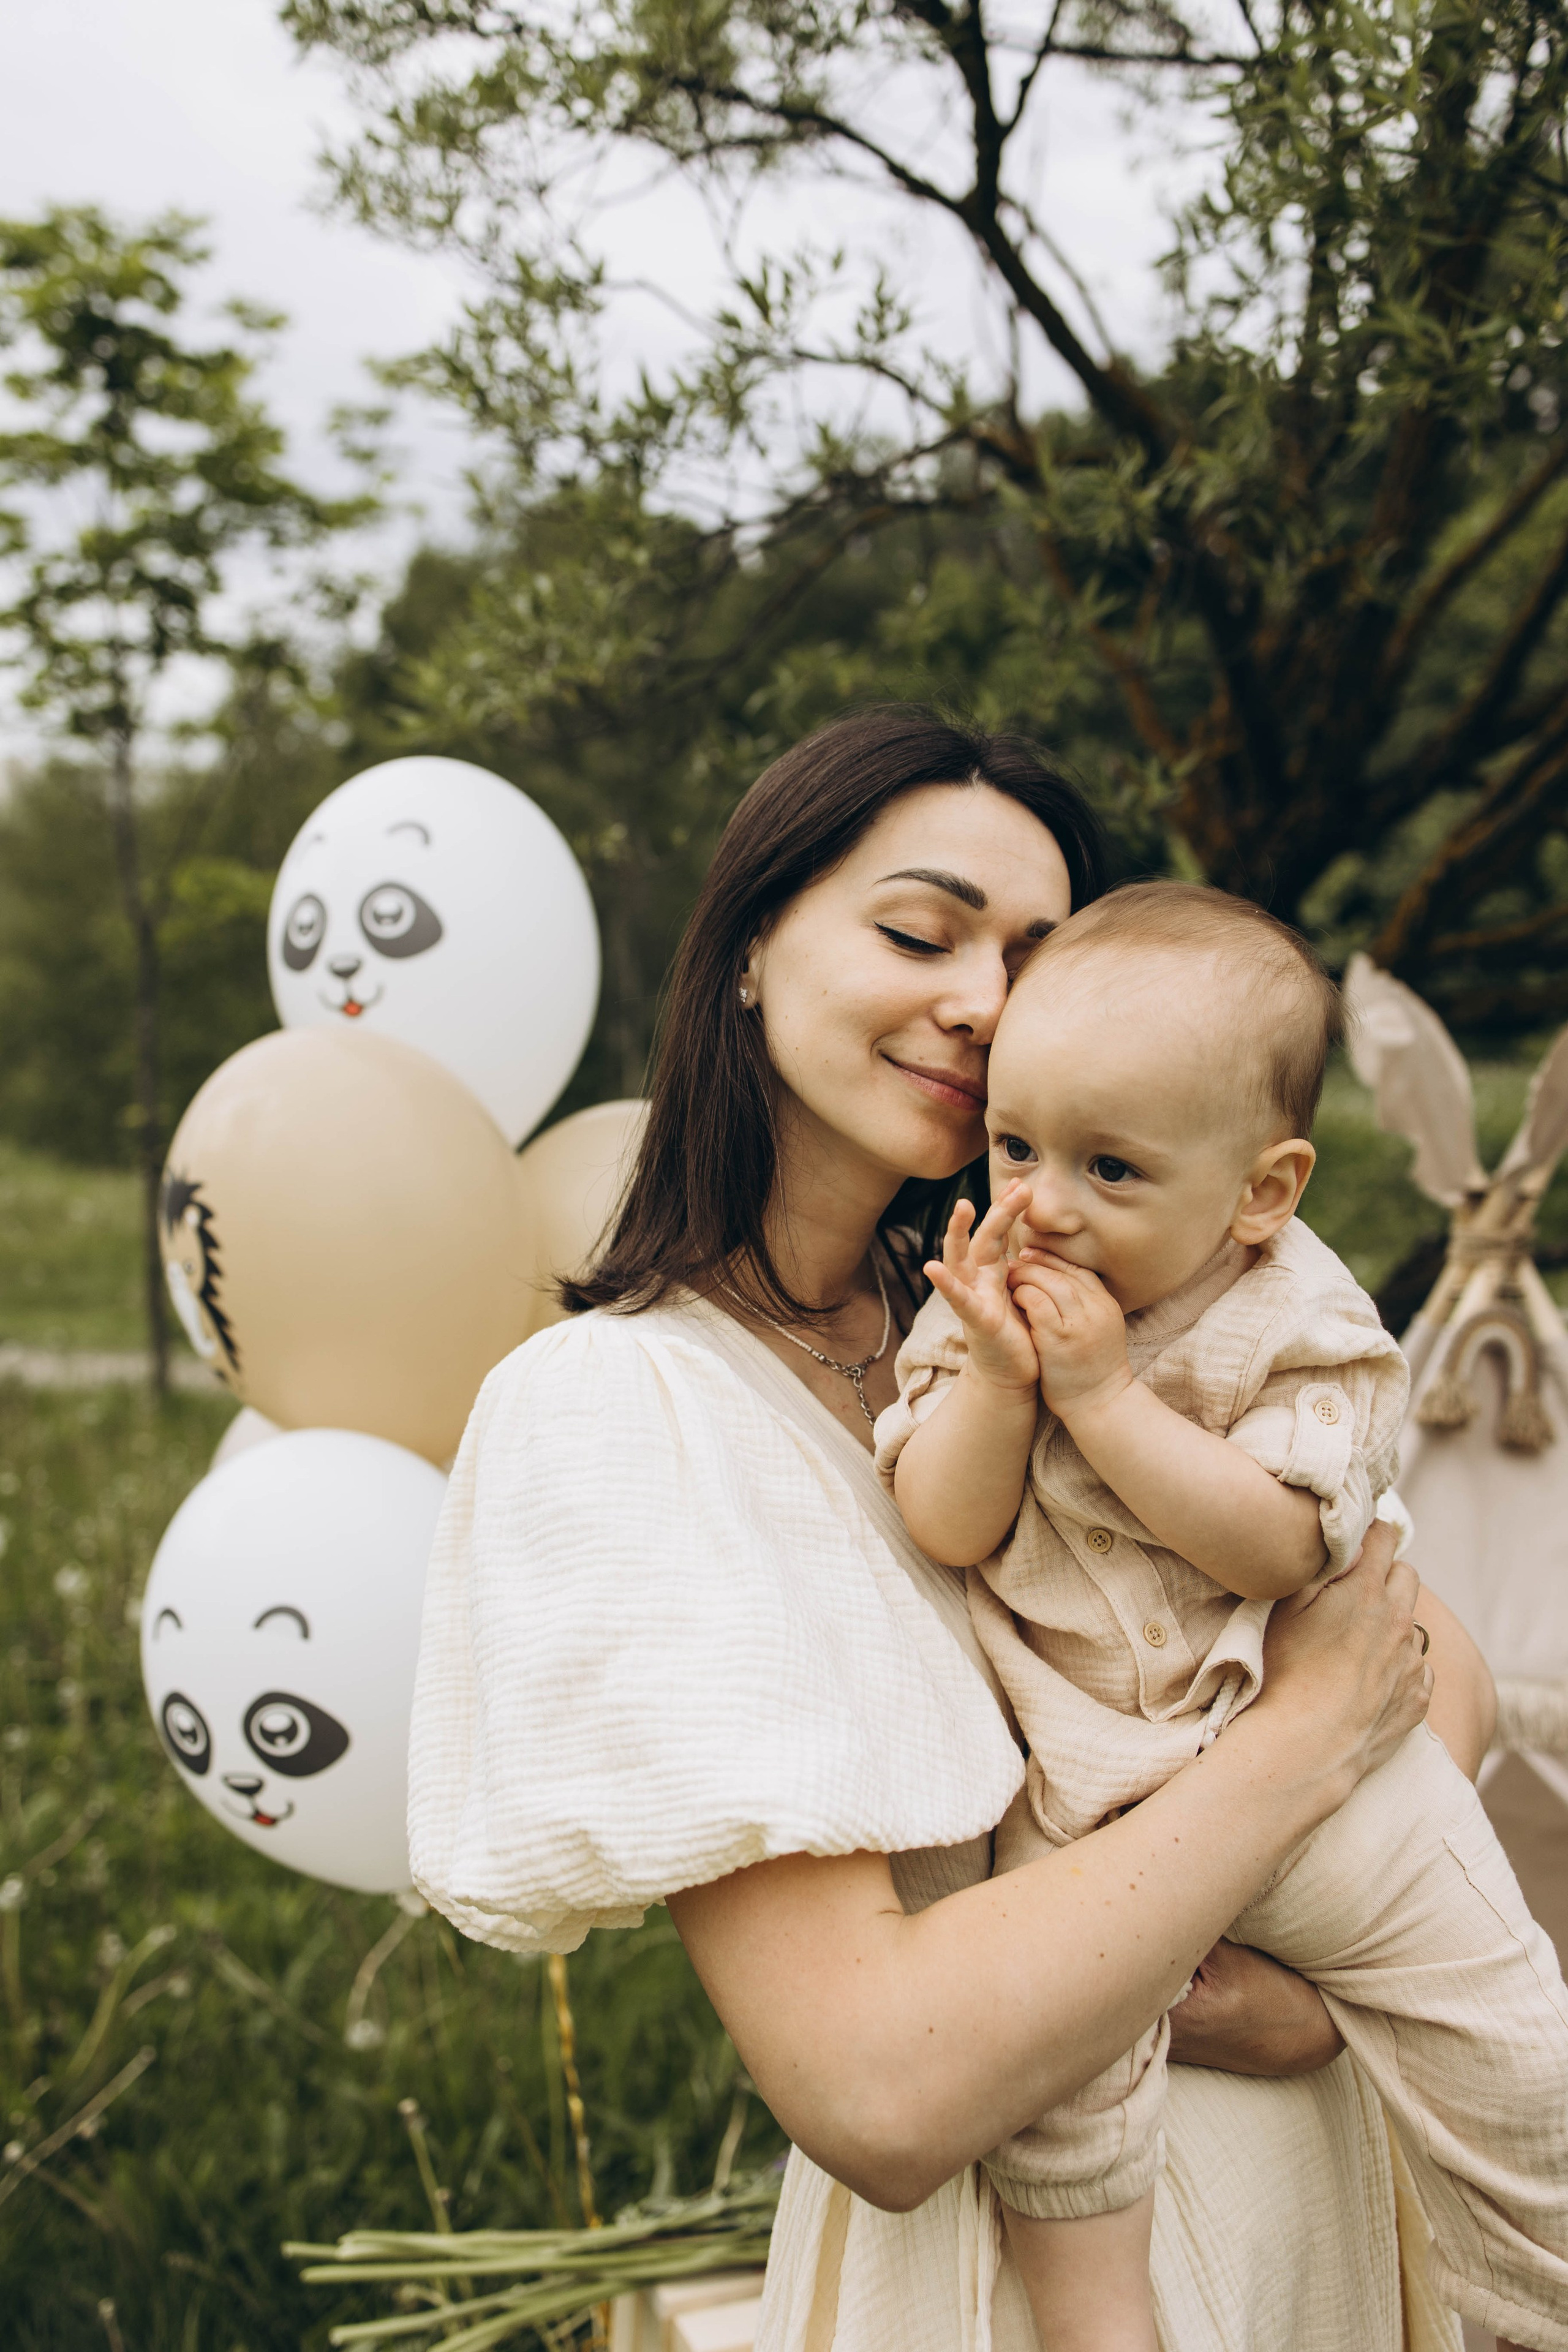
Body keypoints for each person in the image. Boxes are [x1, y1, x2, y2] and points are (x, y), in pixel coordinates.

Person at [409, 709, 1493, 2351]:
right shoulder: (626, 1411)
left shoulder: (1095, 1294)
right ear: (756, 947)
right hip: (1017, 2284)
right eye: (919, 933)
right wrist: (1297, 1768)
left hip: (1324, 2225)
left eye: (1040, 962)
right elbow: (883, 2081)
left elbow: (1423, 1655)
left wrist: (1333, 1995)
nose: (983, 1004)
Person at [883, 881, 1568, 2352]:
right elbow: (944, 1523)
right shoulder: (980, 1300)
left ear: (1259, 1191)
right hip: (1090, 1812)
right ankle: (1101, 2330)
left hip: (1342, 1803)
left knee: (1519, 2057)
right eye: (1015, 1146)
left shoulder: (1298, 1317)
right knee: (1060, 2118)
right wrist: (1001, 1384)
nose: (1042, 1202)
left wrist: (1107, 1402)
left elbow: (1281, 1545)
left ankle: (1531, 2305)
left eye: (1110, 1169)